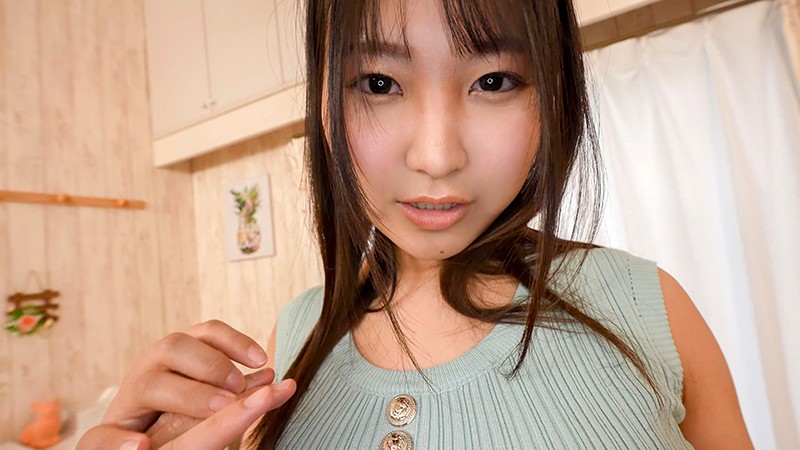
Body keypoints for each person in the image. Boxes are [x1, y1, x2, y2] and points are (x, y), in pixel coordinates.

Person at [78, 0, 755, 448]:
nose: (436, 156)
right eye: (379, 83)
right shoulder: (292, 338)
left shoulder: (646, 305)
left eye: (494, 81)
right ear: (324, 100)